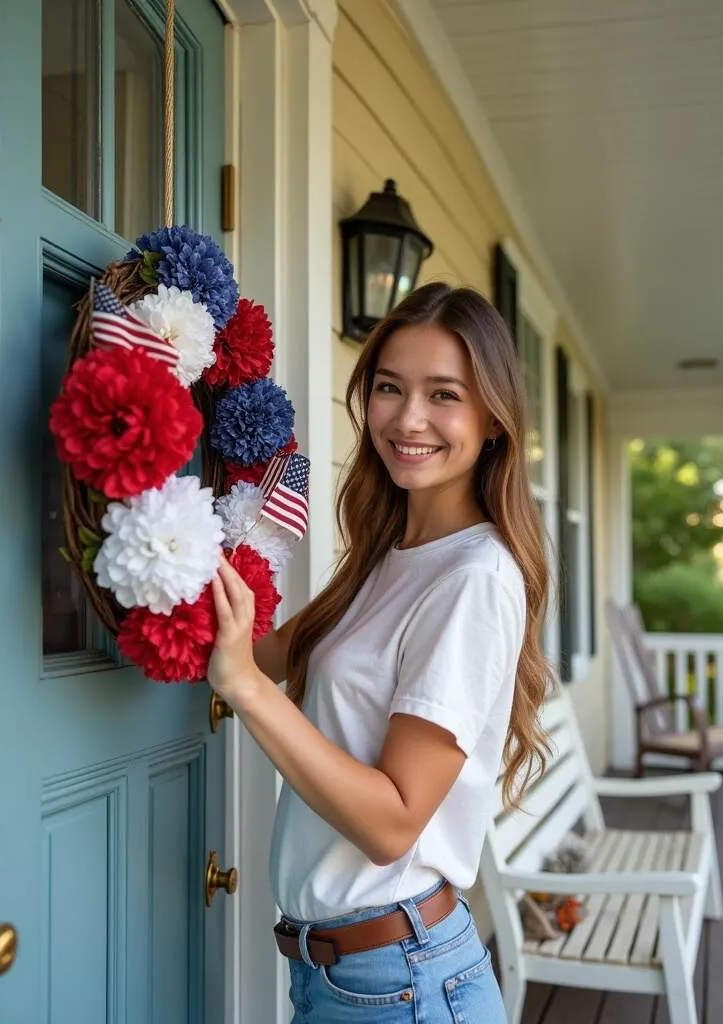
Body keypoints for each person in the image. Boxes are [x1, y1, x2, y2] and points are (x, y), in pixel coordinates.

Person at [208, 281, 552, 1022]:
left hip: (399, 984)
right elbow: (258, 651)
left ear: (494, 418)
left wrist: (244, 687)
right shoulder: (388, 555)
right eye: (390, 388)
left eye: (444, 394)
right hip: (346, 977)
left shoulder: (474, 578)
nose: (409, 418)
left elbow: (393, 821)